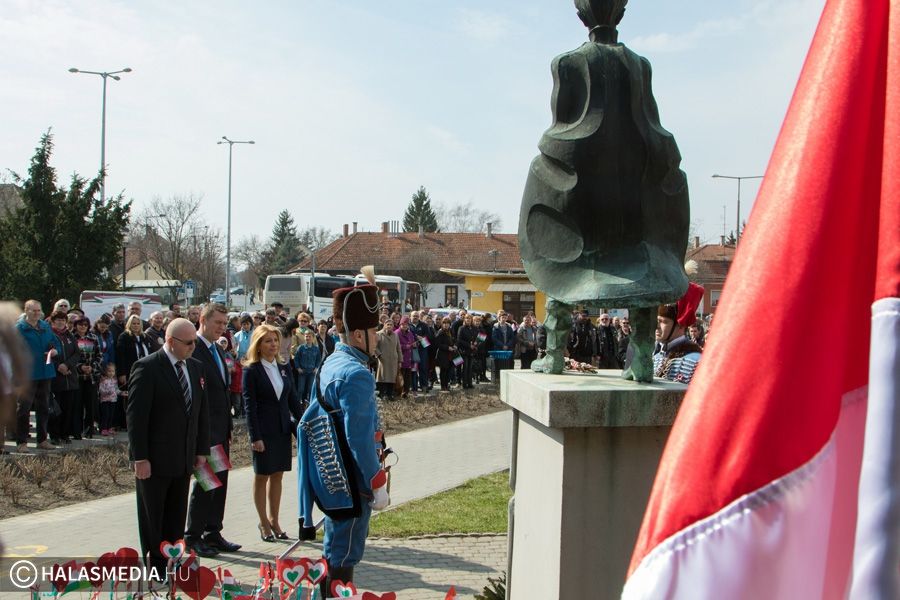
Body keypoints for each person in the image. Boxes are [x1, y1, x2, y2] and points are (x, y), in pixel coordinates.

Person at [297, 271, 389, 596]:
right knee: (344, 556)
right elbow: (358, 439)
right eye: (374, 331)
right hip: (352, 482)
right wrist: (376, 481)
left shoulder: (332, 362)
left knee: (334, 550)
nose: (378, 337)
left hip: (331, 479)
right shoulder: (356, 374)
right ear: (359, 334)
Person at [127, 318, 210, 576]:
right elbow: (136, 418)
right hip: (155, 460)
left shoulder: (195, 367)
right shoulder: (148, 367)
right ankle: (156, 567)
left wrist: (201, 450)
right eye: (188, 343)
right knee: (154, 517)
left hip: (183, 457)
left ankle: (173, 562)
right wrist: (140, 457)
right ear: (171, 341)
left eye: (195, 342)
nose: (193, 347)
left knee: (176, 515)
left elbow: (201, 412)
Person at [184, 303, 241, 557]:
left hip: (220, 429)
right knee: (205, 484)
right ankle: (192, 536)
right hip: (205, 433)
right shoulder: (194, 349)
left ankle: (213, 531)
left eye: (225, 323)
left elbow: (223, 390)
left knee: (219, 484)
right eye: (217, 322)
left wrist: (228, 426)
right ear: (203, 320)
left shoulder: (217, 349)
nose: (222, 327)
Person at [242, 324, 303, 542]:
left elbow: (292, 399)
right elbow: (249, 406)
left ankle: (274, 520)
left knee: (278, 475)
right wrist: (255, 436)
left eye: (275, 340)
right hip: (263, 431)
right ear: (258, 345)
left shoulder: (284, 367)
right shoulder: (251, 370)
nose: (273, 345)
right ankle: (263, 523)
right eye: (268, 341)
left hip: (282, 429)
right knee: (262, 476)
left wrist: (303, 423)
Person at [15, 300, 58, 451]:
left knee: (44, 408)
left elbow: (55, 343)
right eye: (33, 310)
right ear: (26, 310)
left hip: (45, 372)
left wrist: (55, 351)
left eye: (38, 310)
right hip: (27, 375)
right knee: (24, 409)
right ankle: (21, 442)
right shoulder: (19, 329)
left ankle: (42, 440)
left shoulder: (45, 326)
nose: (36, 313)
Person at [652, 283, 705, 384]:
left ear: (681, 325)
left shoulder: (695, 360)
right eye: (657, 321)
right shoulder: (657, 356)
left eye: (664, 322)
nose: (657, 326)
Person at [48, 310, 79, 444]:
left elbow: (77, 353)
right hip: (55, 379)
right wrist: (58, 366)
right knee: (56, 410)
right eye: (58, 320)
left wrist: (67, 365)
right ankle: (54, 435)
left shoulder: (69, 335)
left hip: (70, 378)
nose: (61, 322)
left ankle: (64, 434)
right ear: (53, 321)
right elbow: (47, 354)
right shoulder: (49, 335)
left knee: (68, 408)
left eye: (63, 320)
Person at [73, 316, 102, 438]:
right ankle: (76, 431)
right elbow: (69, 356)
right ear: (75, 325)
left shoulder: (93, 338)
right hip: (76, 377)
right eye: (80, 324)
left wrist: (92, 367)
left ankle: (89, 430)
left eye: (85, 325)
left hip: (91, 377)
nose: (83, 327)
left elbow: (99, 356)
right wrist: (80, 367)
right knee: (77, 405)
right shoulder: (72, 337)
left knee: (90, 405)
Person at [374, 320, 401, 399]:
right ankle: (382, 393)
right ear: (384, 325)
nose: (389, 326)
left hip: (393, 360)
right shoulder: (378, 334)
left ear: (393, 326)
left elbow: (398, 348)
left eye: (391, 325)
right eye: (388, 324)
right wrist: (379, 355)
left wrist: (400, 360)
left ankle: (390, 394)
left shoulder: (395, 335)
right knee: (383, 377)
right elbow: (374, 346)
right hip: (383, 360)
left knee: (392, 378)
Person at [293, 329, 320, 407]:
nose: (307, 338)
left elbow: (318, 359)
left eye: (309, 336)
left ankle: (309, 403)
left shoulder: (316, 349)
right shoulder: (301, 348)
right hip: (303, 371)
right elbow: (296, 358)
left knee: (310, 389)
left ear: (313, 337)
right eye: (306, 336)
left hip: (312, 372)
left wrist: (316, 368)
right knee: (301, 389)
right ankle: (298, 403)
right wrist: (298, 368)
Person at [97, 363, 122, 435]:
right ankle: (103, 429)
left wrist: (121, 392)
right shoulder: (103, 380)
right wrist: (108, 392)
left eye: (113, 371)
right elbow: (101, 390)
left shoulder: (114, 380)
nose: (111, 373)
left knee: (111, 415)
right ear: (105, 372)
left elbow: (116, 389)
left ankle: (109, 428)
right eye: (109, 371)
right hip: (105, 401)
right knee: (106, 415)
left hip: (113, 400)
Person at [456, 314, 479, 389]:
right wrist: (469, 345)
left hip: (472, 351)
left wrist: (476, 343)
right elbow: (459, 340)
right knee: (465, 367)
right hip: (464, 350)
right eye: (466, 318)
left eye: (469, 318)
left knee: (470, 367)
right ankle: (464, 383)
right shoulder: (461, 328)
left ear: (471, 320)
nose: (468, 320)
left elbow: (480, 337)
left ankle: (470, 383)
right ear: (464, 320)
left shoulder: (475, 328)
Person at [435, 317, 457, 391]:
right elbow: (438, 344)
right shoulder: (440, 332)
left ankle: (446, 385)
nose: (446, 325)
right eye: (444, 323)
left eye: (447, 323)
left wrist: (455, 345)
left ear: (450, 324)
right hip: (443, 354)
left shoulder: (451, 331)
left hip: (451, 354)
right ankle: (443, 386)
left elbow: (454, 340)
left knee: (449, 370)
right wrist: (447, 347)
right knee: (443, 370)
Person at [396, 317, 416, 398]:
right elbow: (395, 345)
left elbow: (412, 342)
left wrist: (414, 344)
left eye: (406, 324)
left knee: (408, 378)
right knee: (400, 377)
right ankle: (398, 393)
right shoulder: (397, 333)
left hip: (409, 359)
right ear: (400, 324)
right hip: (401, 359)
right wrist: (405, 346)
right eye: (403, 324)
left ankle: (406, 393)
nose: (405, 326)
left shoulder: (410, 333)